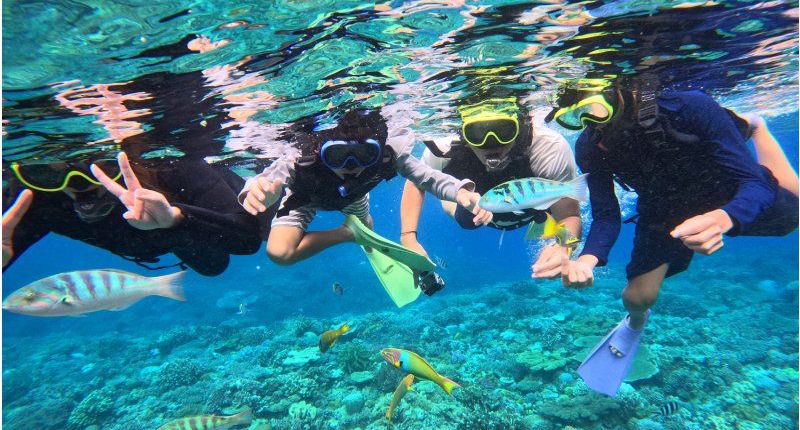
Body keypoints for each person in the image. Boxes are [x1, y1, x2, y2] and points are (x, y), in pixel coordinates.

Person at [554, 78, 799, 396]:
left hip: (725, 188)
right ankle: (635, 324)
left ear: (619, 93)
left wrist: (725, 217)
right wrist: (586, 259)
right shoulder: (589, 147)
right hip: (663, 209)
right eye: (575, 118)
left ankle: (756, 127)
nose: (590, 125)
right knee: (636, 298)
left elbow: (751, 181)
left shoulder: (688, 106)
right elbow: (605, 214)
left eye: (593, 110)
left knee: (792, 218)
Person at [239, 108, 488, 271]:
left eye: (365, 155)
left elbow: (428, 177)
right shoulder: (300, 156)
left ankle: (363, 233)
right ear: (320, 150)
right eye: (338, 155)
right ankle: (349, 233)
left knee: (366, 227)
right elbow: (268, 178)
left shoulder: (389, 154)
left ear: (376, 151)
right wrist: (261, 191)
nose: (352, 166)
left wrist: (461, 192)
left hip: (355, 197)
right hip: (305, 198)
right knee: (279, 253)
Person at [399, 97, 583, 278]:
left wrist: (564, 247)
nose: (492, 144)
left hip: (533, 208)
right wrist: (408, 238)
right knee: (467, 221)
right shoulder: (443, 149)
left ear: (518, 128)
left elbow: (569, 215)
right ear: (463, 133)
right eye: (477, 133)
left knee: (546, 215)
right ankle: (457, 199)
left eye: (504, 131)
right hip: (471, 209)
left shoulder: (547, 148)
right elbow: (416, 181)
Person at [3, 152, 262, 276]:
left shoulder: (167, 163)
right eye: (48, 174)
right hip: (173, 238)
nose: (77, 184)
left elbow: (247, 238)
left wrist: (177, 218)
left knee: (258, 236)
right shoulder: (31, 198)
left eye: (96, 166)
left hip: (216, 207)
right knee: (213, 266)